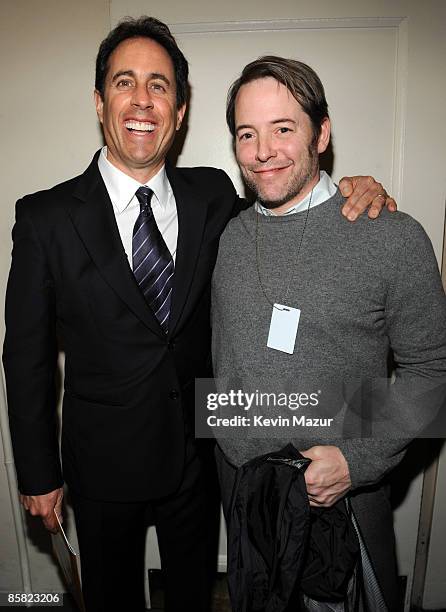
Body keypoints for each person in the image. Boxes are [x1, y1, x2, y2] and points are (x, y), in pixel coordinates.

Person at [3, 16, 395, 612]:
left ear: (180, 110)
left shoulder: (213, 195)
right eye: (124, 82)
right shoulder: (45, 217)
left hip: (202, 458)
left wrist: (353, 187)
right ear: (99, 100)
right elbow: (25, 355)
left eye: (159, 85)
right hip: (102, 465)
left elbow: (288, 200)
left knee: (196, 594)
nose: (142, 100)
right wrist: (37, 473)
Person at [211, 56, 446, 610]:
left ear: (323, 132)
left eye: (283, 129)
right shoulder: (230, 237)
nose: (262, 151)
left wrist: (356, 458)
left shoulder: (392, 237)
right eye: (247, 134)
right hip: (248, 506)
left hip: (339, 506)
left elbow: (432, 373)